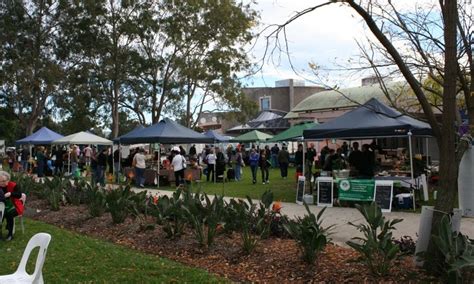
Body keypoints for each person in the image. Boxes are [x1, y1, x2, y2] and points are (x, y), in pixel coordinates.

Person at [0, 171, 24, 241]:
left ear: (8, 179)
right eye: (0, 181)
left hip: (15, 206)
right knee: (0, 215)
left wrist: (11, 193)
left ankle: (10, 234)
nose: (2, 183)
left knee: (9, 214)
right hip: (3, 206)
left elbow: (19, 194)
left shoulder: (13, 185)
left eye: (4, 181)